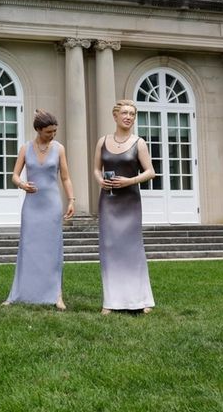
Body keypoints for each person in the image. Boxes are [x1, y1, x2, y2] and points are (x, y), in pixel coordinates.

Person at [2, 110, 75, 309]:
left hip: (52, 205)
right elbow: (15, 175)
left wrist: (71, 200)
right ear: (38, 129)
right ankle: (19, 293)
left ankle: (56, 294)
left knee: (53, 250)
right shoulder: (25, 148)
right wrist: (22, 185)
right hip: (32, 206)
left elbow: (65, 177)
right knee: (28, 248)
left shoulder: (59, 148)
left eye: (54, 131)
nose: (52, 135)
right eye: (49, 132)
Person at [92, 99, 156, 315]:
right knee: (109, 249)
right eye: (125, 113)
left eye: (132, 114)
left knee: (133, 250)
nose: (128, 117)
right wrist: (100, 180)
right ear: (115, 116)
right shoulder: (103, 141)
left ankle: (141, 299)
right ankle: (110, 301)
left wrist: (129, 181)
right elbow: (96, 169)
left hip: (130, 202)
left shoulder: (139, 143)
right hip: (108, 201)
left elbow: (150, 172)